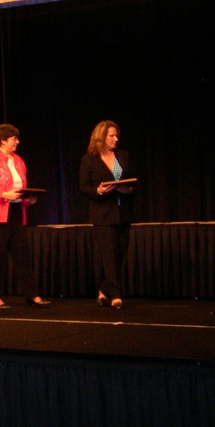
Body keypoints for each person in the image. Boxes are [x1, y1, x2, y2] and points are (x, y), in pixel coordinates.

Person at [0, 124, 50, 310]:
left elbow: (20, 188)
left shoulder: (18, 161)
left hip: (14, 211)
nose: (17, 142)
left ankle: (32, 295)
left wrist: (27, 199)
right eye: (14, 139)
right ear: (2, 140)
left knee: (23, 255)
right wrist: (4, 194)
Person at [79, 120, 134, 310]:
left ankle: (103, 289)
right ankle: (116, 295)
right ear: (101, 137)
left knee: (119, 254)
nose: (116, 139)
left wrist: (128, 189)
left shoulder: (123, 155)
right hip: (103, 214)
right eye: (112, 135)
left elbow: (133, 180)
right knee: (109, 255)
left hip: (123, 212)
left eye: (116, 135)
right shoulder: (89, 159)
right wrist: (99, 191)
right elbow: (84, 187)